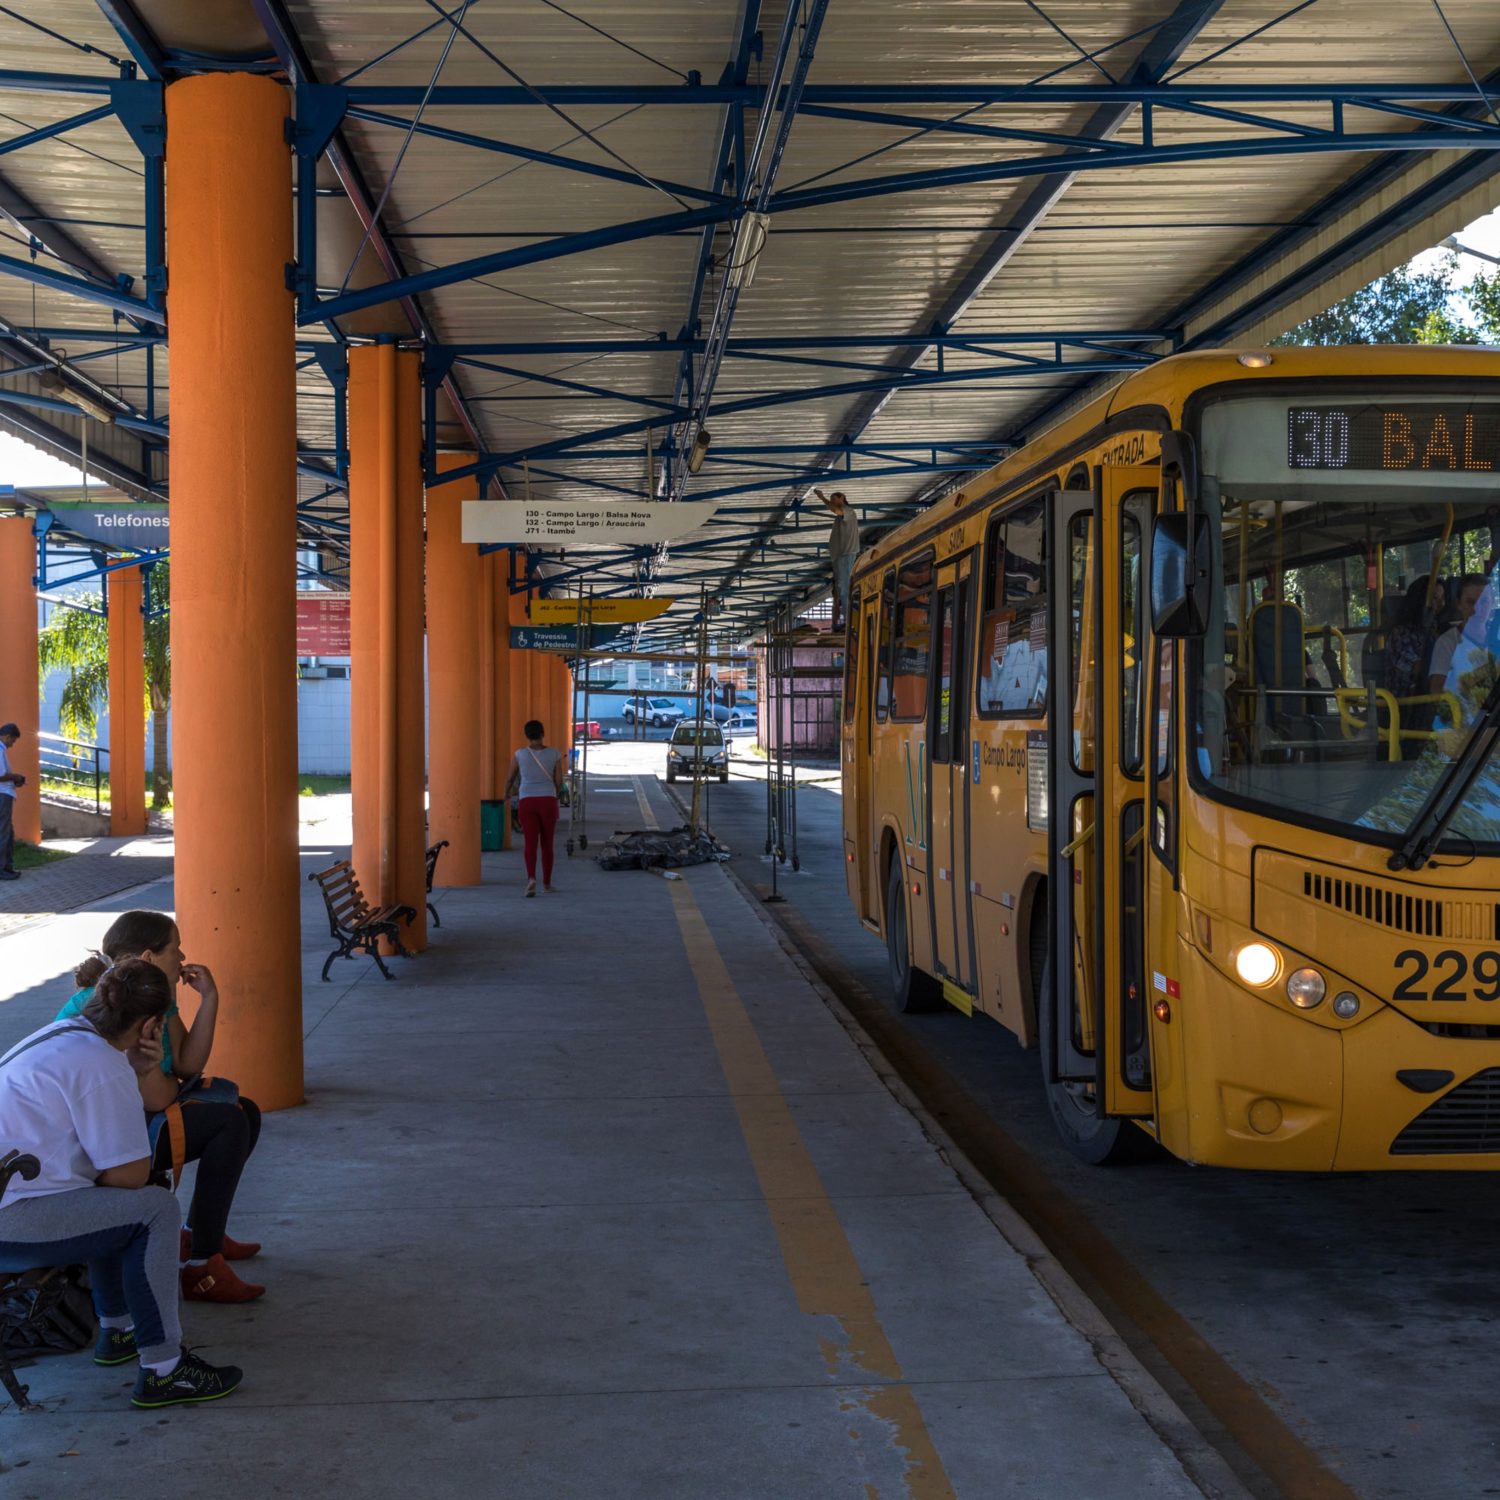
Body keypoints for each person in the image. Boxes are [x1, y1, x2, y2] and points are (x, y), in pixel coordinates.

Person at [0, 958, 243, 1408]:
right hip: (13, 1220)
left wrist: (130, 1071)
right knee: (153, 1209)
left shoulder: (61, 1035)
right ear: (152, 1024)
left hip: (10, 1203)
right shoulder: (101, 1064)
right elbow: (129, 1177)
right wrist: (138, 1074)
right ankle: (164, 1370)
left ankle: (119, 1329)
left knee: (110, 1203)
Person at [58, 911, 264, 1304]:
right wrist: (168, 1082)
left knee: (245, 1111)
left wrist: (210, 999)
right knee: (228, 1123)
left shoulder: (152, 997)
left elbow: (187, 1065)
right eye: (175, 948)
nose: (183, 957)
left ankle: (203, 1233)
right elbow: (158, 1097)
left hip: (130, 1121)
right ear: (149, 957)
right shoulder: (117, 1005)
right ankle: (203, 1265)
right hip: (101, 1145)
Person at [504, 719, 564, 897]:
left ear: (526, 735)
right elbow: (559, 781)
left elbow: (510, 778)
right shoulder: (554, 754)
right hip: (548, 800)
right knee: (547, 844)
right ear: (542, 733)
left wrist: (506, 793)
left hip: (527, 801)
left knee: (530, 843)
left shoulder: (520, 754)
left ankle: (531, 878)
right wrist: (555, 791)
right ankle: (546, 883)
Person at [1428, 574, 1488, 697]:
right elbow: (1436, 690)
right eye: (1471, 602)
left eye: (1484, 601)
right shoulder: (1447, 642)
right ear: (1458, 604)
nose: (1478, 609)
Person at [815, 489, 860, 626]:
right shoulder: (841, 515)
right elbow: (835, 510)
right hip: (840, 556)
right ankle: (847, 618)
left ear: (842, 498)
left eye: (834, 500)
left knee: (845, 588)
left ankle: (850, 621)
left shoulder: (848, 511)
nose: (833, 504)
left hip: (846, 555)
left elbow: (836, 510)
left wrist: (822, 498)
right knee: (841, 588)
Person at [0, 721, 24, 881]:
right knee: (3, 833)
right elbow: (1, 776)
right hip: (2, 794)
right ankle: (2, 869)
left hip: (5, 793)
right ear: (7, 736)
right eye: (13, 740)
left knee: (8, 832)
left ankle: (7, 866)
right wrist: (15, 777)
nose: (12, 745)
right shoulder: (0, 750)